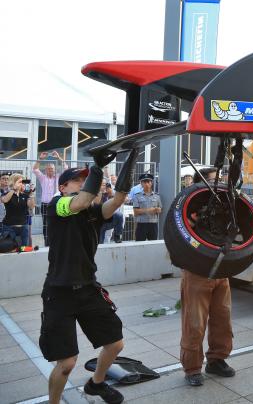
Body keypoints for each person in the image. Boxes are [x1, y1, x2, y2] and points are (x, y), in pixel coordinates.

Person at [40, 150, 137, 404]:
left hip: (87, 289)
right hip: (58, 292)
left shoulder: (93, 211)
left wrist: (130, 162)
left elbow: (117, 201)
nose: (84, 184)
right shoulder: (57, 205)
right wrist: (95, 169)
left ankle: (96, 384)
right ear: (63, 187)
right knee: (67, 363)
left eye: (86, 179)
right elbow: (79, 202)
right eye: (78, 180)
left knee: (115, 344)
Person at [180, 176, 253, 386]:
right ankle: (192, 368)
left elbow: (248, 203)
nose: (221, 185)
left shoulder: (226, 205)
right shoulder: (190, 207)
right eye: (213, 181)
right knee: (195, 323)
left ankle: (216, 360)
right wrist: (195, 218)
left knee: (222, 318)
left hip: (221, 270)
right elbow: (182, 230)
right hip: (198, 271)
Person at [33, 151, 68, 246]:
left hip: (57, 203)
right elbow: (35, 169)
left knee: (58, 222)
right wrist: (40, 159)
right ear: (45, 170)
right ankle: (47, 243)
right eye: (48, 169)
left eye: (52, 169)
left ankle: (57, 242)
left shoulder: (58, 177)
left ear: (55, 169)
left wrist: (58, 158)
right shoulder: (43, 178)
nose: (50, 170)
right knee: (46, 225)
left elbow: (66, 168)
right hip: (45, 204)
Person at [1, 173, 35, 247]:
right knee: (9, 249)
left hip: (23, 227)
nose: (22, 184)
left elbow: (31, 206)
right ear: (13, 182)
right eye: (20, 182)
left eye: (22, 182)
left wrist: (31, 194)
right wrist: (14, 189)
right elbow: (5, 200)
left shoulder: (25, 195)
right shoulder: (7, 193)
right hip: (9, 227)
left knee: (24, 249)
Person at [131, 173, 161, 241]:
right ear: (141, 184)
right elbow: (135, 212)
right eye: (144, 182)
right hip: (141, 224)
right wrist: (149, 210)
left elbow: (160, 209)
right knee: (139, 246)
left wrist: (158, 209)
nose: (147, 184)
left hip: (153, 224)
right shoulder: (137, 196)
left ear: (151, 183)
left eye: (148, 182)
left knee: (153, 245)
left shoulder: (157, 196)